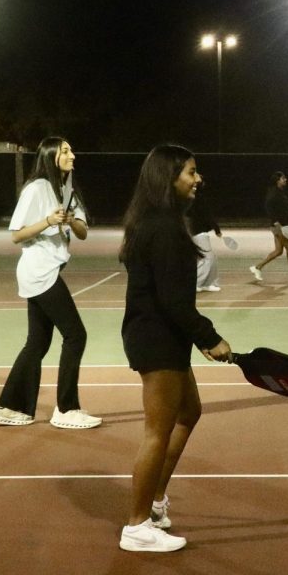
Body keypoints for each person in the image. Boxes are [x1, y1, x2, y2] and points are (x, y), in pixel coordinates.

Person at [118, 144, 232, 552]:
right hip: (156, 335)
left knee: (189, 412)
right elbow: (172, 299)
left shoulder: (159, 220)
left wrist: (194, 335)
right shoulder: (164, 227)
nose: (198, 179)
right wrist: (209, 336)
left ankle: (154, 502)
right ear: (170, 177)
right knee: (157, 432)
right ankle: (136, 526)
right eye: (191, 172)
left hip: (163, 332)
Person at [0, 137, 101, 430]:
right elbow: (17, 234)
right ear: (51, 156)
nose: (72, 155)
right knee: (76, 335)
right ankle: (66, 408)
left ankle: (10, 407)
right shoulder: (37, 188)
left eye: (71, 149)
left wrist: (72, 220)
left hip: (47, 270)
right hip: (39, 271)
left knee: (37, 342)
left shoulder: (67, 189)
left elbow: (83, 232)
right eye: (66, 151)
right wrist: (49, 221)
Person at [249, 170, 288, 283]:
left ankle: (258, 267)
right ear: (278, 181)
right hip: (279, 226)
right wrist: (276, 222)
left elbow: (286, 204)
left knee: (278, 251)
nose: (285, 180)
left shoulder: (279, 192)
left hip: (281, 225)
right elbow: (268, 207)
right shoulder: (273, 193)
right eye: (283, 178)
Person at [187, 182, 224, 292]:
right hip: (198, 232)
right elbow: (207, 215)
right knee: (207, 257)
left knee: (210, 257)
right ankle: (197, 283)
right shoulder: (197, 199)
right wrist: (217, 229)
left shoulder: (192, 199)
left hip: (198, 231)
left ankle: (209, 283)